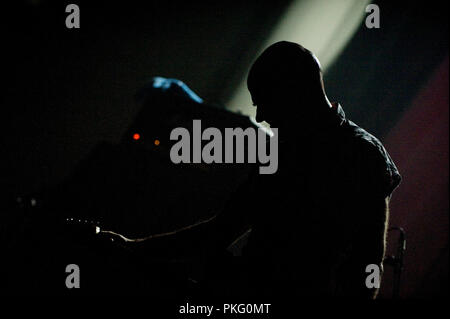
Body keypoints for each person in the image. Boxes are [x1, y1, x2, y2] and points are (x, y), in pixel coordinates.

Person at [105, 41, 401, 298]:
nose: (260, 116)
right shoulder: (284, 149)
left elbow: (367, 261)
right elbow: (223, 228)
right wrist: (132, 246)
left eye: (265, 101)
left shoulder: (362, 154)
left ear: (294, 92)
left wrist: (135, 248)